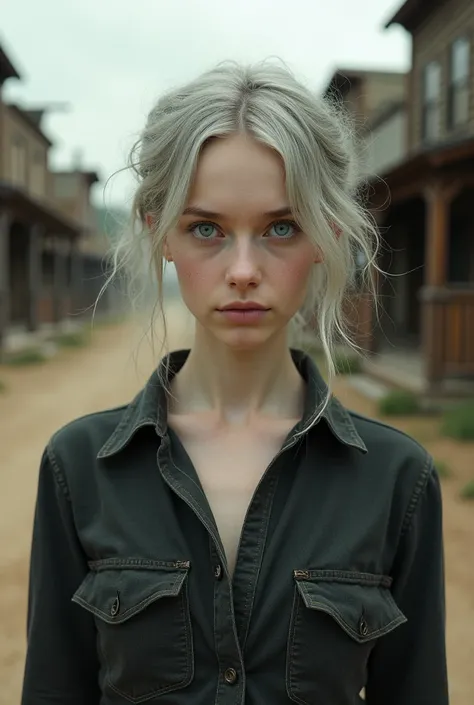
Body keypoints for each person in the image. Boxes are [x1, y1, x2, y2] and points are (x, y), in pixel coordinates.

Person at [21, 62, 449, 705]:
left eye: (282, 227)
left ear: (326, 237)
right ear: (159, 233)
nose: (244, 270)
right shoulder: (77, 467)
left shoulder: (398, 478)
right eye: (207, 230)